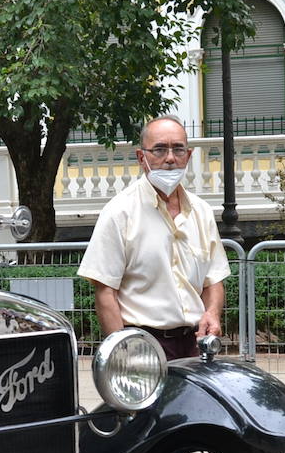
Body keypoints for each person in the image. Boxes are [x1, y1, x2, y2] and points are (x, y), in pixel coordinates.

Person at [78, 115, 229, 360]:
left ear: (188, 156)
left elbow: (213, 280)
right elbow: (105, 292)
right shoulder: (120, 212)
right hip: (143, 346)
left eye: (178, 149)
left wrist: (212, 313)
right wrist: (123, 354)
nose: (170, 158)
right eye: (159, 149)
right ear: (141, 157)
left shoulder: (201, 212)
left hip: (195, 345)